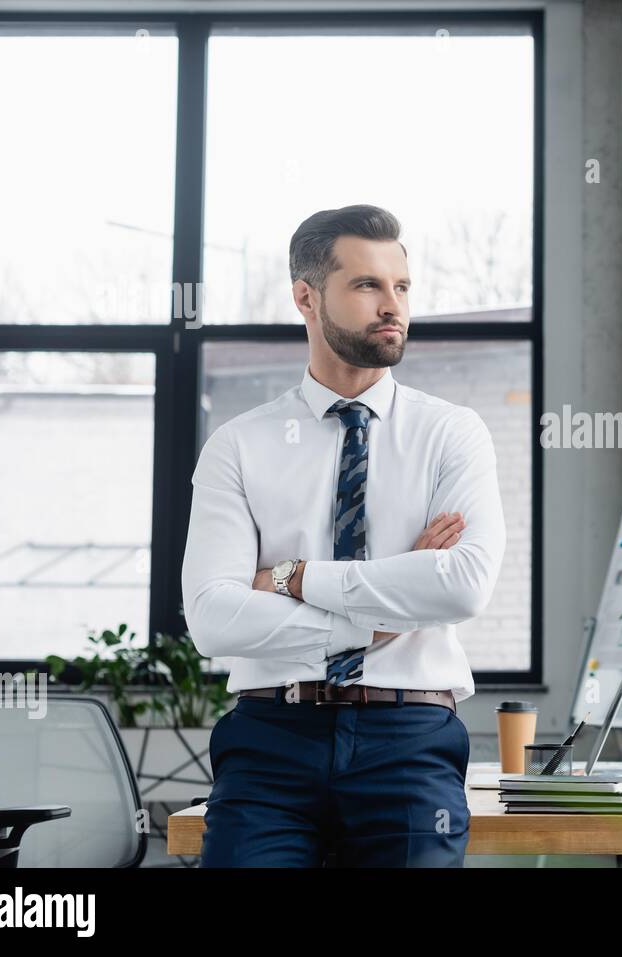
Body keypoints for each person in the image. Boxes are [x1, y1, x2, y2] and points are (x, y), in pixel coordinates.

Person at [181, 204, 506, 866]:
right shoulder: (237, 446)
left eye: (402, 287)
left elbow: (464, 584)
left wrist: (294, 577)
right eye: (367, 285)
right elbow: (213, 618)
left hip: (410, 736)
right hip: (270, 738)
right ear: (306, 296)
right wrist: (384, 612)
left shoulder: (452, 433)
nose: (393, 305)